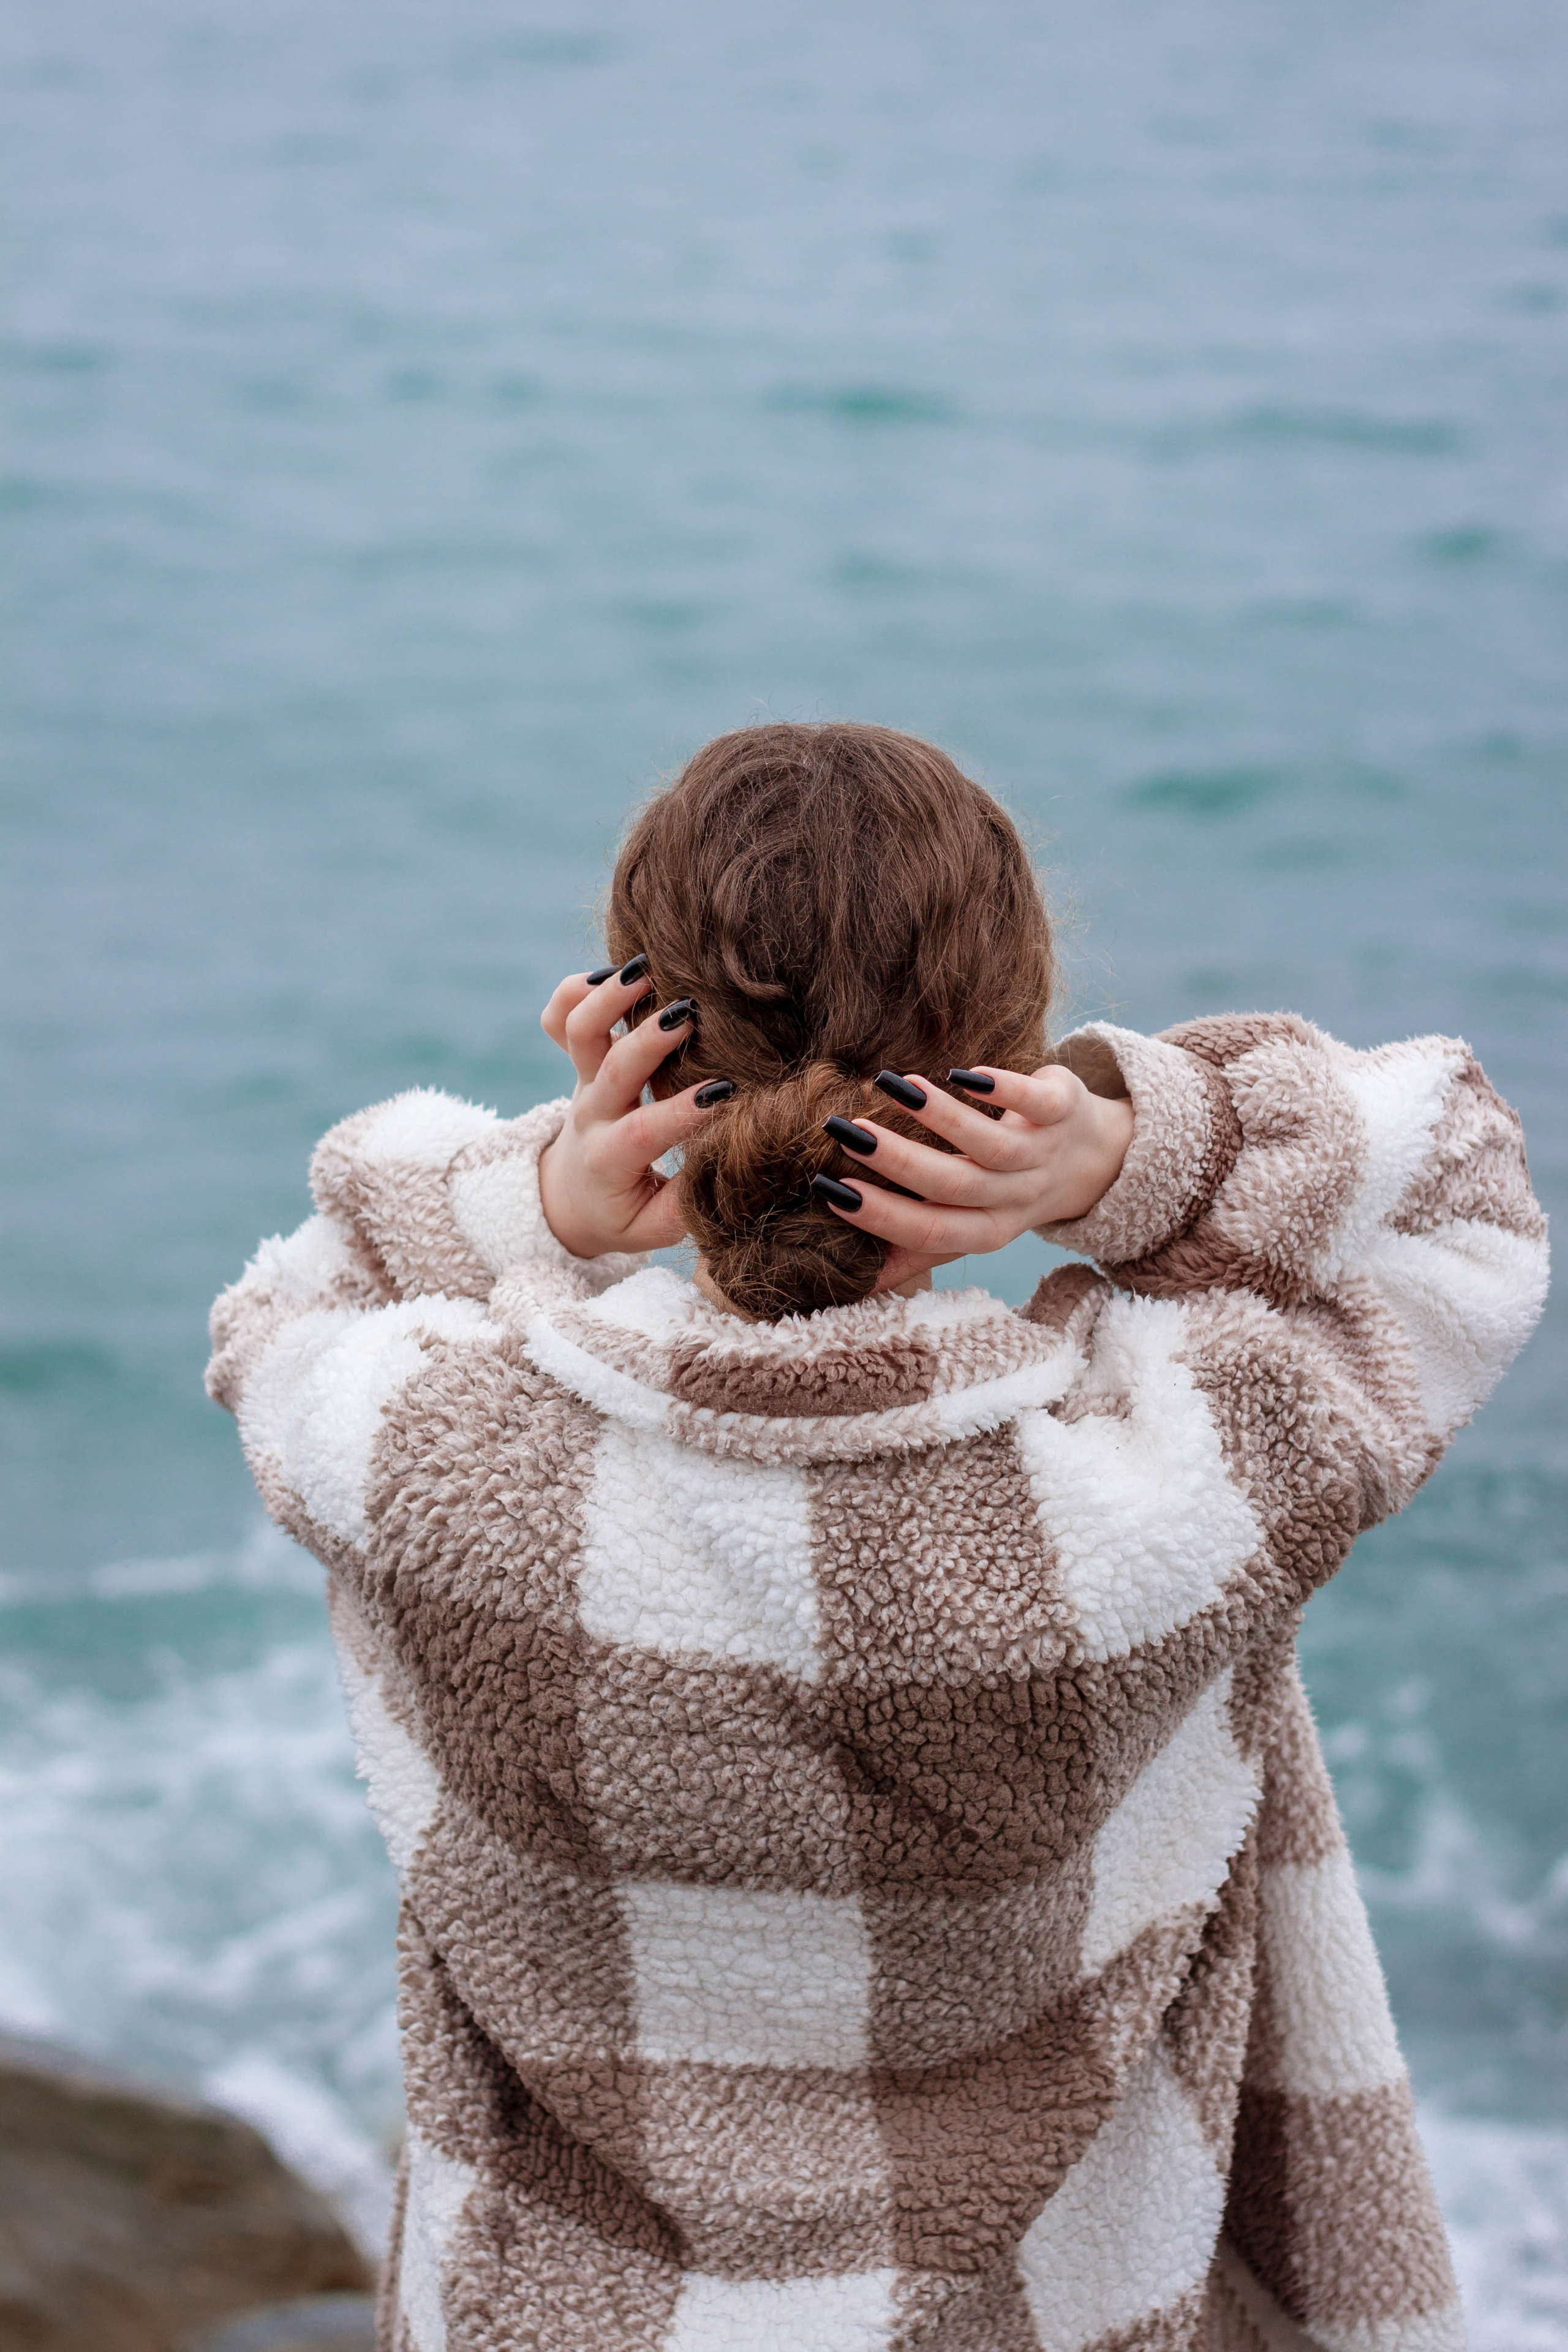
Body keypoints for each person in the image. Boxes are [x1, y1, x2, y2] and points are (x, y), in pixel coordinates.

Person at [208, 722, 1547, 2352]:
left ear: (643, 1046)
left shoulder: (438, 1461)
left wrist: (546, 1202)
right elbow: (1462, 1196)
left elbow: (290, 1293)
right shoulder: (1156, 1493)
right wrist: (1126, 1160)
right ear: (1015, 1052)